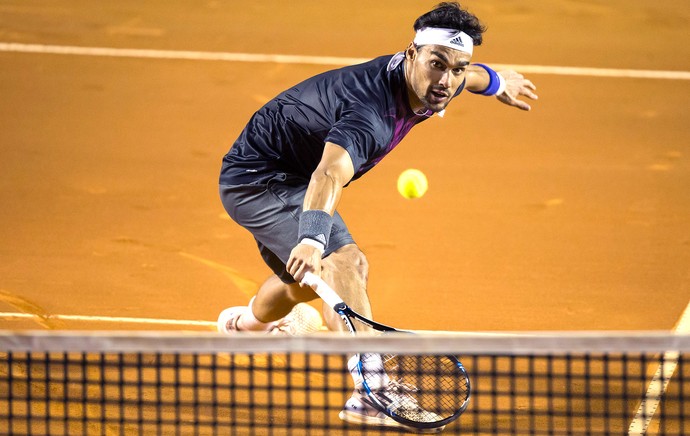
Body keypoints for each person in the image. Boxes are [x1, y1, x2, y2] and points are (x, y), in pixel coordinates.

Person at [217, 1, 537, 429]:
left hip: (283, 166)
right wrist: (313, 240)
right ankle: (371, 389)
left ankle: (245, 328)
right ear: (412, 53)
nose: (445, 79)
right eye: (436, 64)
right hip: (261, 177)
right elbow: (328, 173)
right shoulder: (370, 114)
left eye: (456, 68)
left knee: (303, 286)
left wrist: (497, 84)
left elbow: (473, 75)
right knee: (345, 262)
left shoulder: (446, 79)